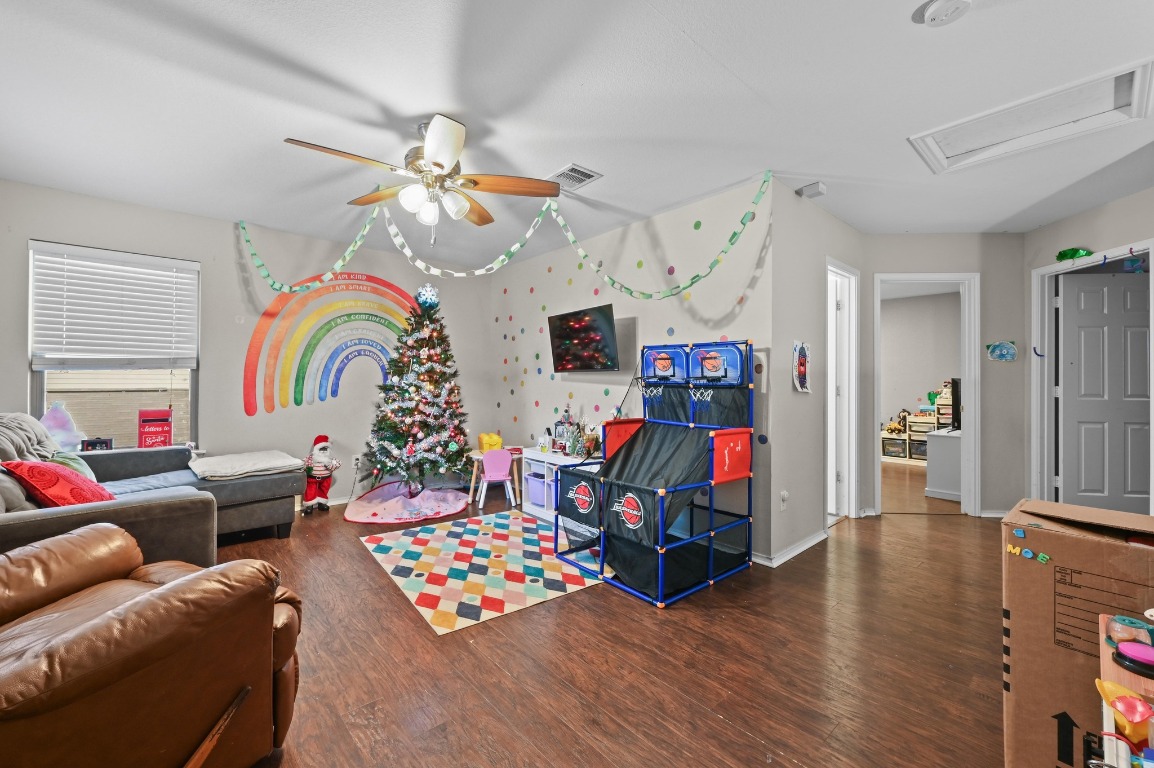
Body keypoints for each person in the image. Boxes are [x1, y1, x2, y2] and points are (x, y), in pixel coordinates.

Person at [303, 435, 341, 513]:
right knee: (310, 491)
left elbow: (338, 463)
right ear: (316, 449)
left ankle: (322, 503)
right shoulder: (310, 458)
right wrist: (306, 467)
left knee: (324, 490)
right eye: (321, 449)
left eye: (325, 449)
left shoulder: (330, 459)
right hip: (312, 478)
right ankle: (309, 505)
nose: (323, 451)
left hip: (326, 479)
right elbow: (303, 462)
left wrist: (330, 465)